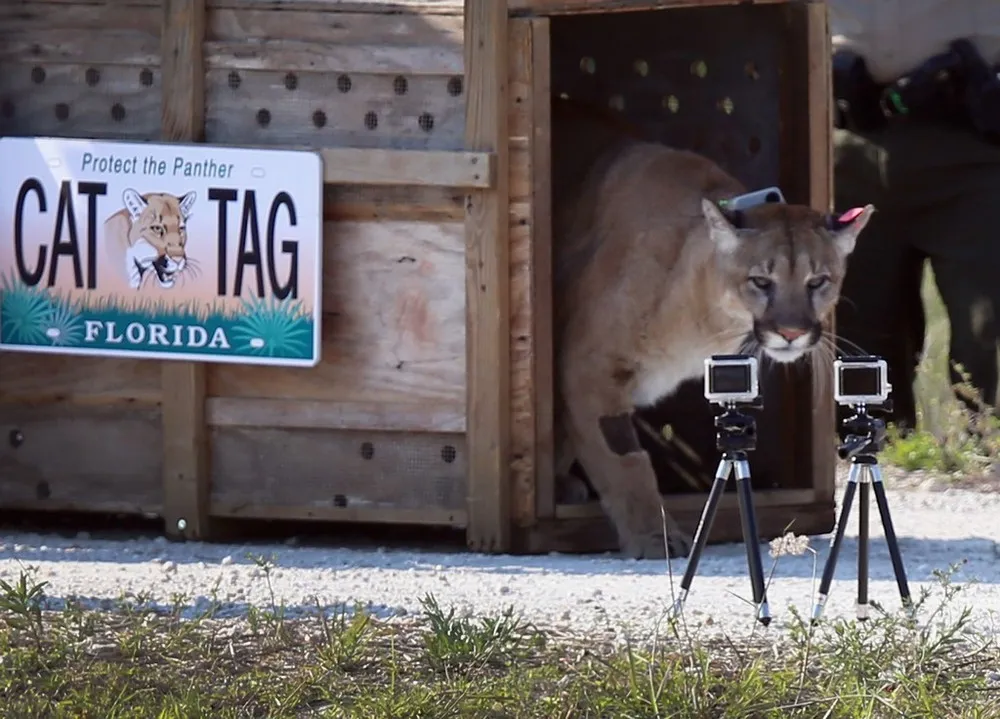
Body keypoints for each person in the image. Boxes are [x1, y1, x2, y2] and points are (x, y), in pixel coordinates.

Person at [827, 1, 1000, 432]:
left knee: (986, 323)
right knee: (859, 327)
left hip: (973, 139)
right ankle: (875, 449)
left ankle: (986, 448)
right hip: (850, 142)